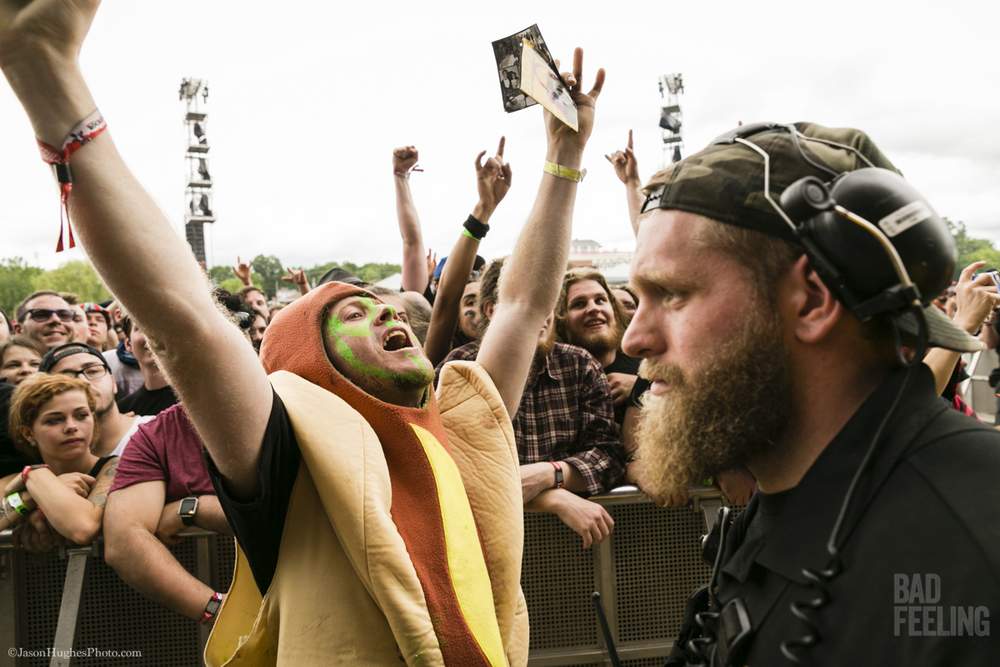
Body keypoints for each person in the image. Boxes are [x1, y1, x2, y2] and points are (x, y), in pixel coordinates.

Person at [0, 5, 604, 663]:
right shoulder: (286, 464)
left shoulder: (457, 432)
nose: (390, 314)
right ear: (308, 367)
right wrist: (48, 75)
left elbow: (520, 306)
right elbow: (188, 324)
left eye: (389, 309)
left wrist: (564, 157)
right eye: (351, 316)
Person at [623, 121, 1000, 665]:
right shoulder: (780, 501)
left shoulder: (977, 550)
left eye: (672, 294)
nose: (635, 338)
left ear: (812, 301)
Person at [442, 258, 626, 548]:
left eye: (547, 302)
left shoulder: (580, 367)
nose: (541, 314)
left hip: (573, 547)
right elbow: (448, 471)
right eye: (527, 304)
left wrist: (546, 474)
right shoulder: (460, 369)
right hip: (482, 548)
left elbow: (609, 458)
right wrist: (552, 497)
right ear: (492, 310)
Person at [104, 403, 232, 623]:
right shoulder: (156, 436)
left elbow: (292, 517)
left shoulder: (294, 404)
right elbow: (123, 541)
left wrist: (196, 509)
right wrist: (220, 612)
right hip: (204, 637)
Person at [1, 373, 118, 547]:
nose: (71, 427)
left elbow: (83, 528)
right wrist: (30, 497)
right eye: (54, 420)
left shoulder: (115, 468)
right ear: (28, 433)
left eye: (81, 415)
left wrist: (38, 482)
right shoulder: (16, 481)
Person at [41, 343, 154, 457]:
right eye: (67, 377)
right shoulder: (48, 460)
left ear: (113, 382)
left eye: (93, 371)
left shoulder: (157, 432)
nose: (83, 381)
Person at [115, 317, 177, 417]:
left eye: (159, 327)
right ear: (128, 344)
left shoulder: (199, 395)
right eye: (140, 327)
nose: (151, 335)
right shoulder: (123, 412)